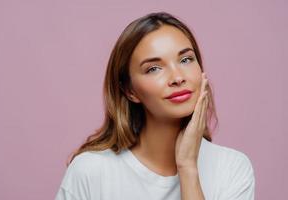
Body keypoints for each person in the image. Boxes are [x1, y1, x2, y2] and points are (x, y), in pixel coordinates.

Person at [55, 12, 255, 200]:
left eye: (186, 59)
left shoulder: (232, 168)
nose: (177, 78)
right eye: (153, 69)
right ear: (129, 91)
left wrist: (187, 168)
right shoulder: (90, 172)